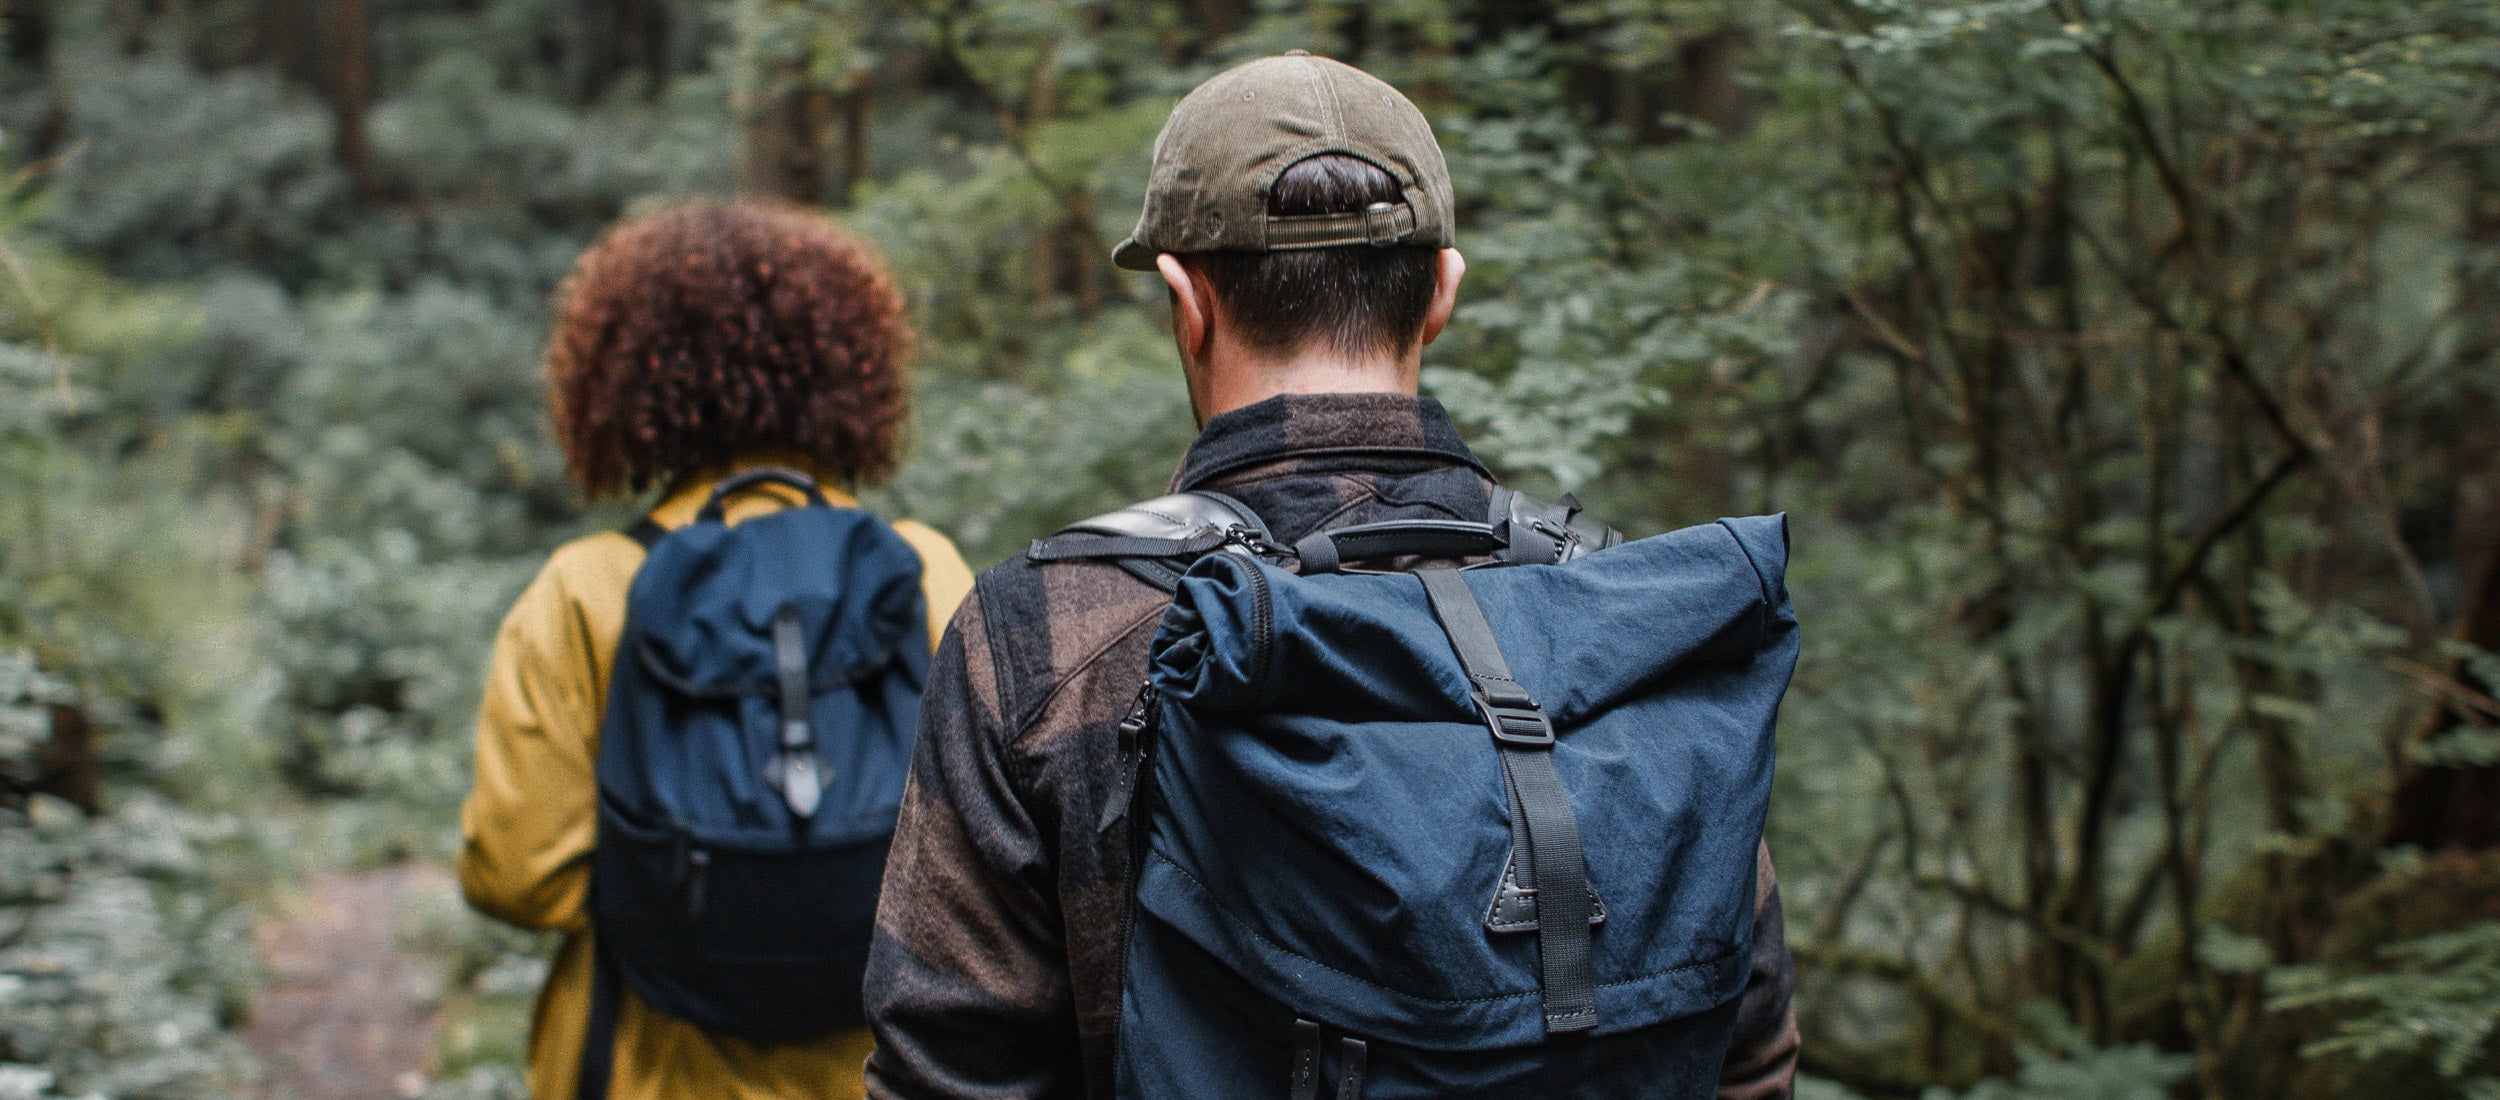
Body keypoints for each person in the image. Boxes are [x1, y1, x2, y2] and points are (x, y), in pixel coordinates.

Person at [863, 52, 1797, 1098]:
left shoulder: (1044, 629)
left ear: (1185, 298)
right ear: (1441, 291)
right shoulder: (1624, 617)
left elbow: (947, 1070)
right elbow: (1745, 1045)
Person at [460, 200, 974, 1100]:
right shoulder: (921, 568)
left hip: (641, 1067)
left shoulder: (585, 590)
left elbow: (519, 877)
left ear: (616, 382)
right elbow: (984, 849)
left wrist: (700, 896)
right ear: (851, 366)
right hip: (878, 1073)